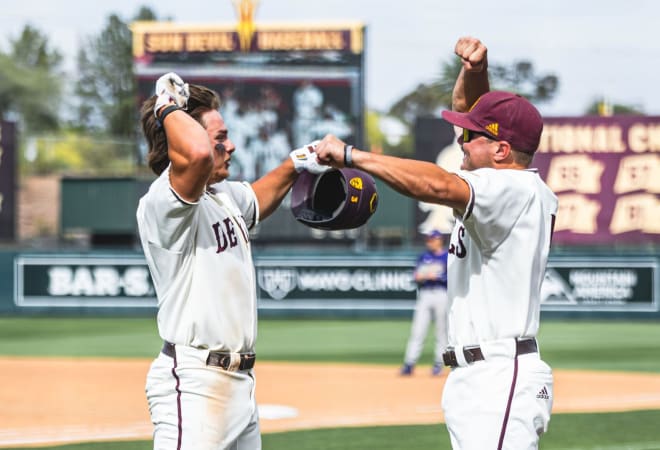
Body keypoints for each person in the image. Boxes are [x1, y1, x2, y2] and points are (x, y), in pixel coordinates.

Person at [314, 36, 557, 449]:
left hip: (499, 376)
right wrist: (475, 73)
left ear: (501, 150)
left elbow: (438, 185)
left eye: (471, 137)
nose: (459, 140)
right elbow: (469, 112)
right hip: (479, 374)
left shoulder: (513, 188)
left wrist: (353, 155)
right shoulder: (505, 181)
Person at [136, 72, 326, 450]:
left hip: (238, 384)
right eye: (221, 137)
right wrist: (165, 105)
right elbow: (198, 154)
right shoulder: (164, 204)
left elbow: (256, 198)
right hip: (195, 386)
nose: (232, 146)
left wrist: (302, 159)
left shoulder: (220, 195)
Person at [400, 230, 449, 376]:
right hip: (425, 294)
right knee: (418, 330)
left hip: (442, 294)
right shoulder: (423, 256)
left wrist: (438, 276)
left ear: (440, 240)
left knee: (442, 331)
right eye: (429, 239)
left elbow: (450, 277)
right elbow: (416, 275)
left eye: (433, 239)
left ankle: (438, 364)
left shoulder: (447, 256)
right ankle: (409, 364)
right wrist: (422, 276)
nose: (431, 242)